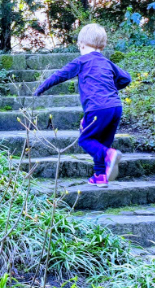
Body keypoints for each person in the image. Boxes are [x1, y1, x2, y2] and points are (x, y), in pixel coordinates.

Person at [33, 24, 132, 188]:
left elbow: (60, 75)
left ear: (82, 44)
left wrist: (40, 89)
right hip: (115, 107)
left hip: (97, 108)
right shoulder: (107, 62)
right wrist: (111, 88)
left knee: (85, 139)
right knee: (101, 142)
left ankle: (109, 155)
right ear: (102, 45)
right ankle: (100, 176)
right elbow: (126, 79)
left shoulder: (81, 61)